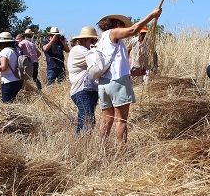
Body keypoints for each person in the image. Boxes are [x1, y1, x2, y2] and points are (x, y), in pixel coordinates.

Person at [96, 8, 162, 146]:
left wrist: (132, 73)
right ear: (116, 24)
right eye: (121, 24)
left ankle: (101, 148)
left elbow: (114, 64)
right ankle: (122, 151)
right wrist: (152, 15)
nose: (123, 27)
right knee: (121, 120)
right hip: (117, 83)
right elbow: (133, 30)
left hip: (103, 83)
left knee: (106, 119)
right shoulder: (112, 33)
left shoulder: (101, 39)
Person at [68, 26, 100, 134]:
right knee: (86, 121)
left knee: (88, 119)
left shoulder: (85, 50)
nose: (95, 43)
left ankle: (83, 146)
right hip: (82, 90)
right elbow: (98, 59)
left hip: (87, 90)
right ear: (84, 40)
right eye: (92, 40)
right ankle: (80, 145)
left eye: (96, 40)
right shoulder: (79, 50)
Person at [0, 32, 23, 102]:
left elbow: (3, 67)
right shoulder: (16, 50)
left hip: (9, 82)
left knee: (7, 105)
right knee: (13, 103)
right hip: (18, 80)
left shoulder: (5, 51)